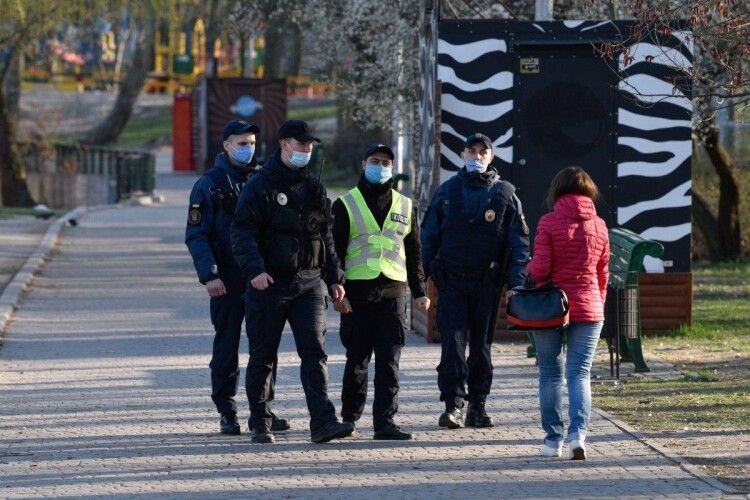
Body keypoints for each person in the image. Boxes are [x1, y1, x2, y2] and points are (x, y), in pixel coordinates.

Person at [231, 119, 354, 444]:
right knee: (263, 353)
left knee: (315, 353)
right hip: (269, 284)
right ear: (285, 144)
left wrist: (334, 278)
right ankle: (260, 420)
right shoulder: (260, 185)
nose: (307, 150)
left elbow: (325, 234)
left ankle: (323, 422)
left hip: (309, 283)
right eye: (301, 145)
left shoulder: (313, 186)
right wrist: (255, 270)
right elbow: (242, 232)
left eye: (310, 145)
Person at [185, 119, 288, 435]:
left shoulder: (264, 180)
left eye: (253, 143)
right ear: (226, 145)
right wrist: (209, 275)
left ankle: (263, 408)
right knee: (227, 346)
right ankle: (227, 411)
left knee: (265, 346)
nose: (249, 149)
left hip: (261, 277)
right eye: (242, 143)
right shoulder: (209, 185)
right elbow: (197, 235)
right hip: (226, 279)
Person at [421, 133, 530, 429]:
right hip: (452, 281)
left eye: (483, 152)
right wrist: (424, 276)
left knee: (481, 347)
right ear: (463, 154)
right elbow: (428, 236)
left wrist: (515, 284)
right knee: (452, 345)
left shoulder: (506, 194)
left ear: (491, 157)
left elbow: (519, 243)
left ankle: (478, 406)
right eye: (472, 151)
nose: (477, 156)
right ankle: (452, 405)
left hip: (487, 284)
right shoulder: (447, 191)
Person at [331, 143, 430, 441]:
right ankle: (349, 418)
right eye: (375, 161)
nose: (381, 166)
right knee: (357, 359)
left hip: (394, 293)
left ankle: (385, 423)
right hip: (357, 293)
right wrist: (337, 290)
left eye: (386, 162)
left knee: (389, 361)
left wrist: (419, 291)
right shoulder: (345, 203)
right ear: (363, 164)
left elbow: (414, 252)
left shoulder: (405, 205)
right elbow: (333, 253)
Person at [526, 166, 609, 460]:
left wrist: (527, 270)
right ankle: (578, 437)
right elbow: (603, 273)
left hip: (551, 307)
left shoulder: (548, 222)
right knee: (580, 374)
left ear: (557, 190)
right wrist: (597, 302)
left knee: (550, 373)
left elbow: (540, 270)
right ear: (589, 191)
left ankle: (552, 441)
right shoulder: (599, 225)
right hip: (590, 307)